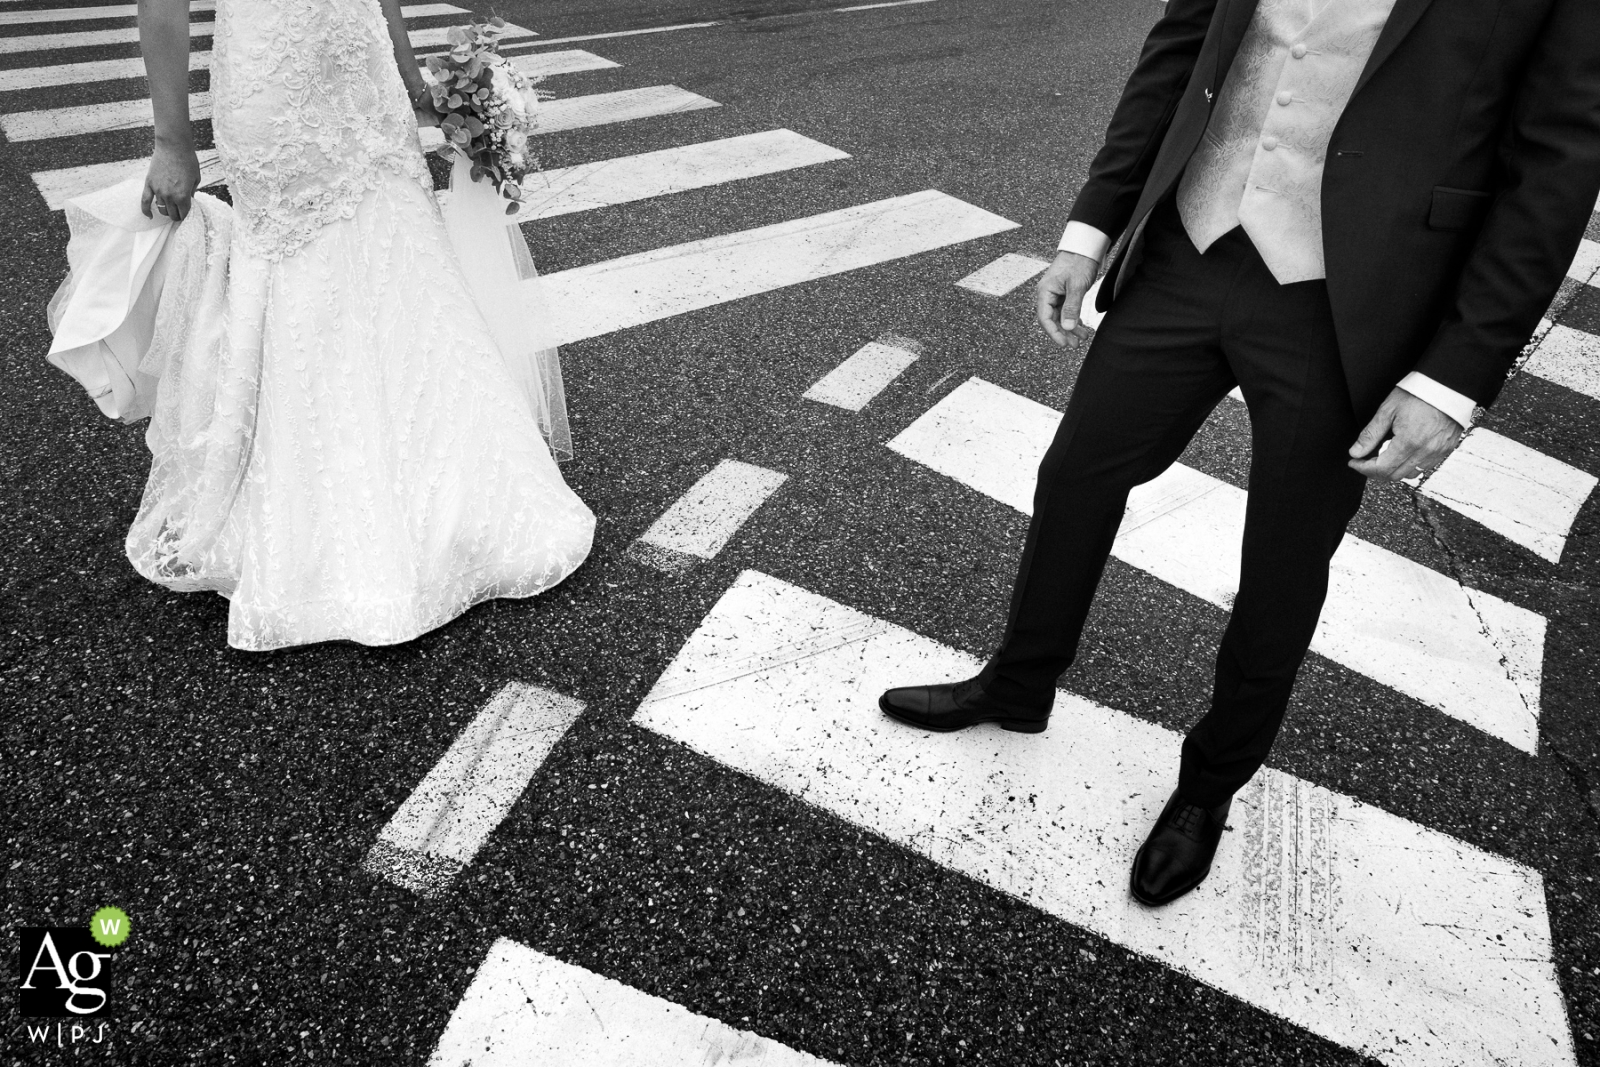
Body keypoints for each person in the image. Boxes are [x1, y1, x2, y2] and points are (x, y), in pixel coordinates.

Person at [880, 0, 1600, 905]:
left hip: (1353, 295)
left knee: (1285, 558)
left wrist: (1450, 379)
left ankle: (1209, 785)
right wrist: (1092, 229)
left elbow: (1557, 165)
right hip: (1191, 246)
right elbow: (1180, 51)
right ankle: (1019, 682)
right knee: (1077, 471)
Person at [48, 0, 594, 651]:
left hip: (362, 71)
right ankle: (328, 532)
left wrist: (411, 80)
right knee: (305, 281)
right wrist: (171, 139)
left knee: (402, 249)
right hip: (273, 79)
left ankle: (461, 506)